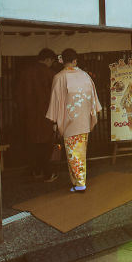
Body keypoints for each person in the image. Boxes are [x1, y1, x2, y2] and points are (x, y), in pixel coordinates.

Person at [46, 48, 101, 192]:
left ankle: (80, 183)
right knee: (79, 151)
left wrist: (54, 121)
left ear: (62, 60)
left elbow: (55, 101)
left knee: (73, 153)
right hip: (84, 120)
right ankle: (76, 181)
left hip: (69, 120)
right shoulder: (85, 76)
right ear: (75, 61)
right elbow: (93, 98)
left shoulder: (59, 77)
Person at [16, 48, 58, 182]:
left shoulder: (25, 73)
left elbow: (18, 95)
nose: (52, 63)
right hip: (47, 115)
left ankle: (35, 170)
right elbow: (56, 96)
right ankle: (47, 173)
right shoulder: (51, 74)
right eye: (52, 60)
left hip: (28, 115)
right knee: (46, 144)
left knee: (32, 143)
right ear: (47, 59)